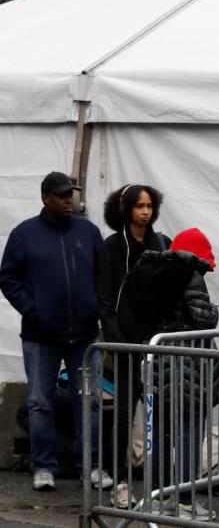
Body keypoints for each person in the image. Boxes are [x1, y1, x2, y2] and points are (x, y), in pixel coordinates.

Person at [0, 172, 112, 492]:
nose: (69, 200)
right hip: (40, 337)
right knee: (39, 402)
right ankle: (44, 467)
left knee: (88, 401)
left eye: (71, 195)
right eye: (62, 195)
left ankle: (89, 466)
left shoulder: (88, 232)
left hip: (85, 335)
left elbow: (103, 277)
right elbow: (8, 279)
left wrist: (96, 310)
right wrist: (34, 311)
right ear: (45, 198)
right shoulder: (24, 234)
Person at [123, 227, 219, 521]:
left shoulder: (152, 273)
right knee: (190, 432)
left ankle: (158, 496)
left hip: (156, 365)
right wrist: (212, 308)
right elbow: (205, 318)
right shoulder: (190, 275)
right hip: (188, 368)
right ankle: (188, 501)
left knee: (160, 434)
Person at [96, 184, 169, 508]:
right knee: (124, 415)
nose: (145, 212)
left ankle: (161, 486)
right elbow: (105, 299)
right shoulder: (112, 247)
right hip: (126, 345)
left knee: (160, 414)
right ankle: (121, 480)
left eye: (150, 205)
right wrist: (116, 341)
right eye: (139, 206)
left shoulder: (161, 244)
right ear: (125, 209)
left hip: (156, 344)